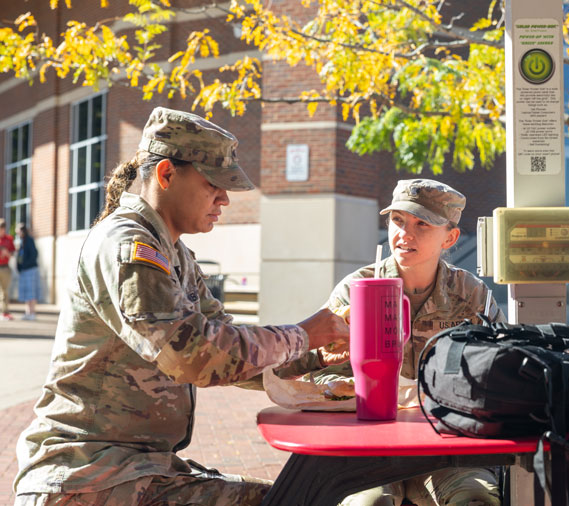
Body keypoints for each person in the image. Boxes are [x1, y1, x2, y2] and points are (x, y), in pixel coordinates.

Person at [13, 107, 349, 506]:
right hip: (84, 478)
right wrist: (304, 335)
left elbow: (228, 348)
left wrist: (317, 354)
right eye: (213, 184)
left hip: (129, 470)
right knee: (288, 500)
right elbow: (193, 355)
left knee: (289, 496)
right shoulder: (129, 247)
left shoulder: (174, 252)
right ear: (167, 174)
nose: (225, 198)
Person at [322, 179, 505, 506]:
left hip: (446, 450)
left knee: (477, 499)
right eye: (398, 220)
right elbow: (310, 371)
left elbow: (503, 371)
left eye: (422, 224)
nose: (405, 234)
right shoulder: (357, 290)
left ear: (450, 237)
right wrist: (341, 385)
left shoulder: (472, 295)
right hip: (369, 448)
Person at [15, 222, 39, 320]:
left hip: (30, 270)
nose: (17, 232)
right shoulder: (22, 241)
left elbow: (34, 255)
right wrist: (19, 267)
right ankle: (27, 312)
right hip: (24, 270)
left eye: (17, 231)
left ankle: (32, 313)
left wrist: (25, 265)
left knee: (31, 291)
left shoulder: (29, 240)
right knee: (26, 292)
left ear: (22, 231)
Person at [0, 218, 15, 320]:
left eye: (3, 227)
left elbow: (13, 254)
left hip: (5, 268)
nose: (2, 230)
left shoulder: (9, 239)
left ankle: (4, 312)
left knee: (4, 291)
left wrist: (7, 254)